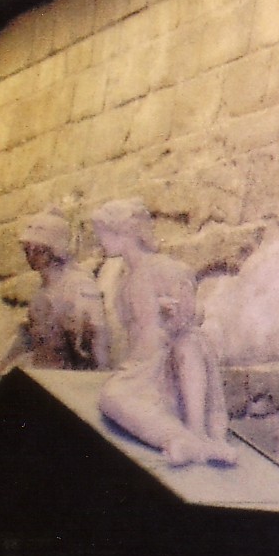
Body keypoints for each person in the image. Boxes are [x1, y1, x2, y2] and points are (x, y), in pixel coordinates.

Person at [90, 199, 236, 467]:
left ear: (123, 232)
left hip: (165, 365)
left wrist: (171, 313)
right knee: (111, 397)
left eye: (103, 235)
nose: (100, 242)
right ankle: (177, 437)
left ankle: (198, 434)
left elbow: (190, 317)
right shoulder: (125, 280)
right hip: (139, 368)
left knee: (188, 344)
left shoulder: (163, 268)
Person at [0, 209, 110, 373]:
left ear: (54, 250)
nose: (31, 255)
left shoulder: (78, 285)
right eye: (27, 249)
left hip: (68, 376)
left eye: (38, 249)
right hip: (43, 372)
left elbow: (95, 337)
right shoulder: (42, 292)